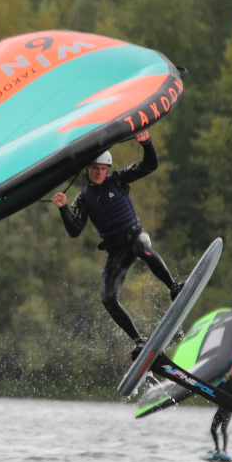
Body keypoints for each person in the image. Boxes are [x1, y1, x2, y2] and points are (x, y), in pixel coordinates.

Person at [52, 129, 183, 361]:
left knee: (141, 249)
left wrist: (147, 143)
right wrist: (63, 208)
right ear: (87, 170)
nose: (100, 173)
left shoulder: (119, 179)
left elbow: (149, 165)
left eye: (103, 169)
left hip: (135, 236)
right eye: (96, 169)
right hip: (115, 249)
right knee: (108, 299)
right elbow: (75, 231)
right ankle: (138, 341)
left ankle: (174, 288)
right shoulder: (82, 199)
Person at [211, 363, 232, 455]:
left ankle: (224, 451)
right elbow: (216, 388)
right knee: (213, 429)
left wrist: (227, 380)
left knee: (223, 430)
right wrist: (221, 379)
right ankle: (217, 449)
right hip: (221, 408)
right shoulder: (224, 382)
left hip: (229, 409)